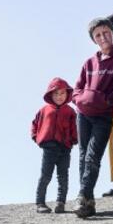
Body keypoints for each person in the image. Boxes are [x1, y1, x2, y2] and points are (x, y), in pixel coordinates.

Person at [73, 16, 113, 218]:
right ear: (93, 40)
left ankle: (83, 195)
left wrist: (105, 101)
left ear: (112, 33)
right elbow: (77, 87)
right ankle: (88, 200)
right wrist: (79, 100)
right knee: (83, 156)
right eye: (97, 35)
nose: (102, 37)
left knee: (93, 156)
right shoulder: (89, 62)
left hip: (103, 116)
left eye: (105, 33)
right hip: (83, 116)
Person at [31, 78, 77, 214]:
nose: (59, 97)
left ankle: (60, 203)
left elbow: (75, 127)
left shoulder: (70, 111)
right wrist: (36, 137)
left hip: (65, 148)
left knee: (63, 176)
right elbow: (35, 124)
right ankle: (40, 203)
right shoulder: (44, 110)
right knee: (45, 175)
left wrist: (74, 140)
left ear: (67, 94)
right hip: (49, 147)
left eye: (62, 93)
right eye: (56, 94)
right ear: (50, 94)